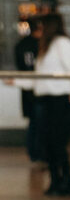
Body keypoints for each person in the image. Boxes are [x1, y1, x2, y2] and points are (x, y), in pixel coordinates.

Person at [14, 13, 70, 197]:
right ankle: (56, 182)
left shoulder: (62, 44)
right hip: (47, 101)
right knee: (50, 144)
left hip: (60, 101)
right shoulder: (46, 47)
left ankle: (66, 183)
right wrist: (16, 81)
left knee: (58, 144)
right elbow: (41, 80)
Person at [13, 17, 41, 164]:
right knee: (38, 122)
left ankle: (34, 154)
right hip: (38, 89)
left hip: (27, 89)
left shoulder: (20, 44)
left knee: (33, 122)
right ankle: (38, 154)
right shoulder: (40, 45)